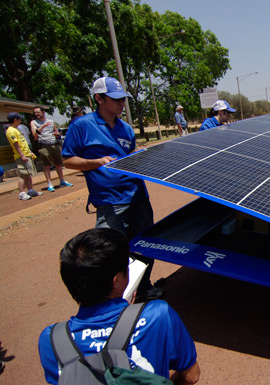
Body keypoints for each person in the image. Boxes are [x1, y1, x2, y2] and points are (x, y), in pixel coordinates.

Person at [38, 228, 201, 384]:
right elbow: (191, 376)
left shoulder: (51, 339)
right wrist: (129, 316)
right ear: (116, 281)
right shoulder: (157, 315)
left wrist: (126, 317)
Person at [62, 76, 161, 301]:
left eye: (122, 99)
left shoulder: (125, 128)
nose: (121, 103)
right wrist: (94, 163)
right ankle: (112, 299)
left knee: (143, 246)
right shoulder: (82, 126)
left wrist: (141, 155)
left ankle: (144, 288)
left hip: (137, 196)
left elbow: (130, 157)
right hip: (109, 202)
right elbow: (68, 160)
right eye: (115, 99)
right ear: (98, 99)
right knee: (110, 251)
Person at [31, 106, 74, 192]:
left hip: (54, 144)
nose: (37, 114)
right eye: (35, 113)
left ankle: (62, 181)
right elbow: (34, 134)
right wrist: (43, 126)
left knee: (58, 164)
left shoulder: (51, 121)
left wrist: (57, 134)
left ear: (43, 112)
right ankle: (49, 184)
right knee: (47, 165)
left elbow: (57, 132)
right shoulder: (33, 122)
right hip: (43, 145)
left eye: (38, 112)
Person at [5, 112, 43, 200]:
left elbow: (23, 143)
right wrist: (22, 155)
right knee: (23, 175)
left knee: (28, 174)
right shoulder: (11, 130)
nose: (20, 120)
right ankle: (22, 193)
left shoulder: (16, 129)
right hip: (21, 156)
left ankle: (30, 190)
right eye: (19, 119)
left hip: (26, 154)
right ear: (15, 120)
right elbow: (16, 144)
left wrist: (30, 152)